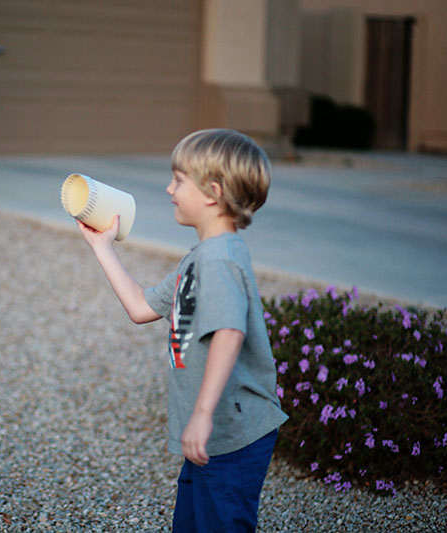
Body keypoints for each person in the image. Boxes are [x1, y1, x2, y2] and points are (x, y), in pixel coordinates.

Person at [76, 129, 288, 532]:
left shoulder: (220, 260)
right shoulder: (199, 259)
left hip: (231, 435)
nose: (168, 187)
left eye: (178, 179)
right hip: (212, 435)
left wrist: (203, 415)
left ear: (212, 191)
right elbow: (140, 308)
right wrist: (103, 247)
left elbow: (229, 332)